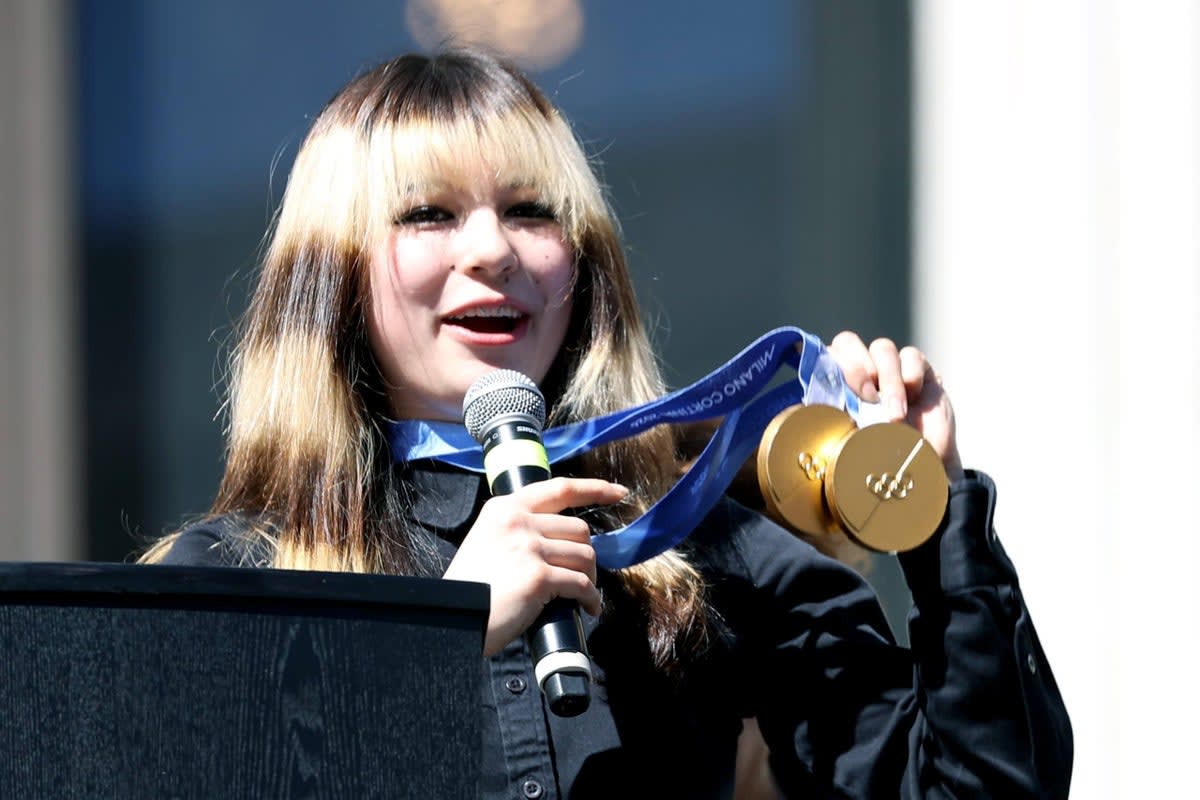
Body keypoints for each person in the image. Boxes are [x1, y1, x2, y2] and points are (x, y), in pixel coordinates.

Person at [139, 47, 1073, 798]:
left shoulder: (700, 550)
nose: (492, 250)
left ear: (580, 267)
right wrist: (437, 643)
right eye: (428, 214)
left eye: (530, 212)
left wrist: (936, 512)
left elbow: (984, 785)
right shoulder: (229, 584)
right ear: (332, 278)